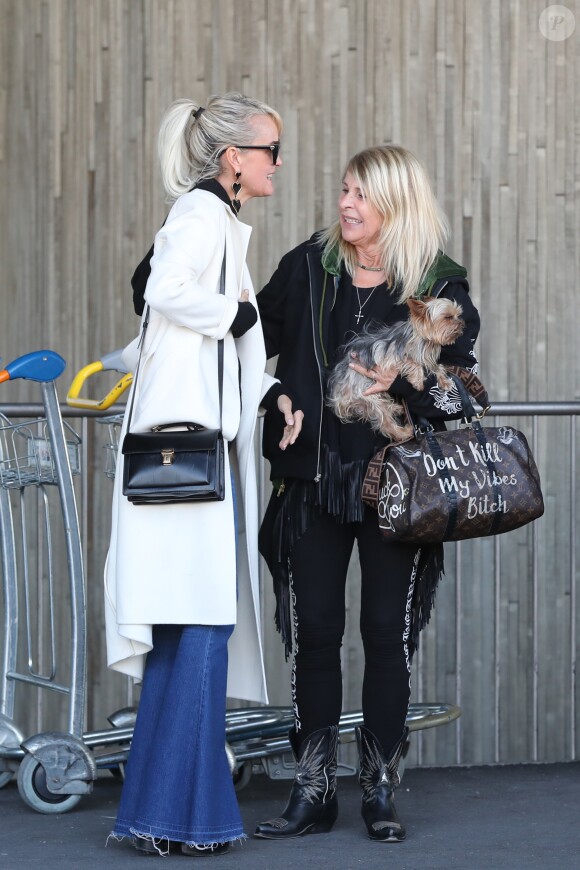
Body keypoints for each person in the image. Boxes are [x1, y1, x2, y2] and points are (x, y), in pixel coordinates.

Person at [253, 145, 480, 843]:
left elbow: (464, 395)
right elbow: (245, 342)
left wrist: (406, 383)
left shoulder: (437, 282)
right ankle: (314, 790)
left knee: (385, 638)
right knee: (315, 637)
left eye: (361, 193)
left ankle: (379, 790)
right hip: (313, 483)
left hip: (398, 490)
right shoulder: (306, 266)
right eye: (344, 189)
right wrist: (277, 396)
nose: (345, 203)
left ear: (395, 202)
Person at [104, 92, 289, 857]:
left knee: (186, 633)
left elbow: (175, 329)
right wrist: (242, 317)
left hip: (192, 459)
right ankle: (185, 821)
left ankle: (157, 816)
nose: (278, 162)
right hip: (193, 466)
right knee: (203, 626)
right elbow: (164, 294)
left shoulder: (211, 222)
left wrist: (270, 390)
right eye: (270, 148)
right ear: (233, 160)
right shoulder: (201, 218)